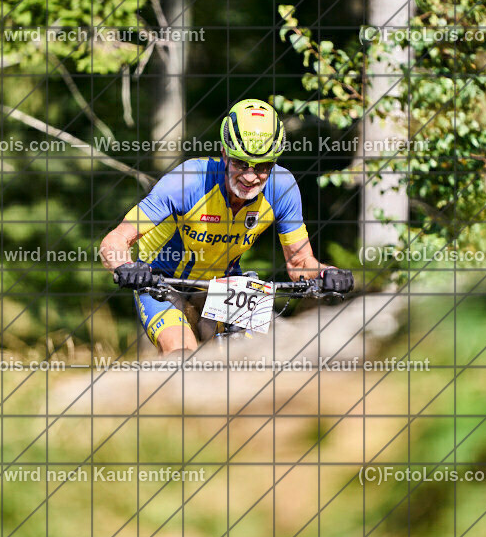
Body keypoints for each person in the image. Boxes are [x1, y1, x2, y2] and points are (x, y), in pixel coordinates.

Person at [99, 99, 354, 354]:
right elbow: (115, 240)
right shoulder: (188, 181)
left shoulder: (282, 188)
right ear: (224, 153)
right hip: (162, 282)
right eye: (241, 163)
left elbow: (299, 264)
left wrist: (326, 273)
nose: (250, 177)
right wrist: (126, 267)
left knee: (252, 354)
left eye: (263, 166)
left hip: (224, 285)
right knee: (182, 354)